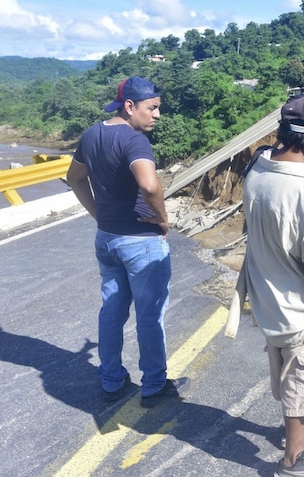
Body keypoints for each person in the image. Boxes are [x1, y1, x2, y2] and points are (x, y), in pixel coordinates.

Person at [66, 77, 188, 407]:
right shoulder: (134, 142)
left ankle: (111, 379)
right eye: (153, 108)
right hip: (140, 242)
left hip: (107, 238)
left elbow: (73, 178)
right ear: (130, 106)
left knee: (112, 311)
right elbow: (150, 187)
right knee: (150, 316)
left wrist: (97, 214)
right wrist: (162, 219)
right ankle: (153, 384)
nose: (158, 115)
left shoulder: (92, 134)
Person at [241, 95, 304, 477]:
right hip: (298, 306)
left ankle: (296, 423)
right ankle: (293, 460)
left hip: (265, 293)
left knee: (283, 364)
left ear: (282, 130)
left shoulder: (258, 166)